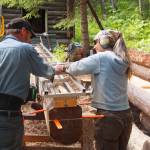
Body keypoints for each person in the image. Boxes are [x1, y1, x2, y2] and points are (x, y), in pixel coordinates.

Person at [56, 29, 133, 150]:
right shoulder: (122, 59)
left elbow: (76, 68)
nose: (95, 46)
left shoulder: (102, 58)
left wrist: (62, 67)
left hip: (109, 118)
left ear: (104, 42)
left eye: (96, 42)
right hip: (126, 115)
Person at [0, 18, 60, 150]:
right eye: (30, 36)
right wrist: (57, 69)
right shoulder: (26, 49)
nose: (30, 40)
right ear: (23, 31)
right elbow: (44, 71)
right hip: (7, 115)